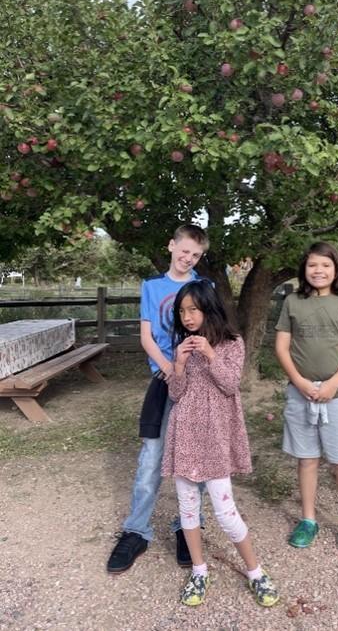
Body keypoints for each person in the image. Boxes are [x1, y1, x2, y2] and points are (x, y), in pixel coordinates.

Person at [162, 279, 280, 608]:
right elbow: (175, 393)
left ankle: (255, 571)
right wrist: (180, 364)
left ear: (209, 309)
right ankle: (199, 570)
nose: (187, 317)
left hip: (215, 437)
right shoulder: (182, 345)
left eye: (193, 310)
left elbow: (229, 384)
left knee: (226, 512)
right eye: (182, 311)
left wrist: (210, 353)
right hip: (184, 434)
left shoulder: (232, 342)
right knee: (188, 510)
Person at [107, 224, 210, 574]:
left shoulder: (203, 287)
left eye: (195, 255)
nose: (188, 258)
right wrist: (169, 367)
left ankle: (189, 526)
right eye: (184, 251)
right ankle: (136, 530)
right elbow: (147, 336)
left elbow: (211, 330)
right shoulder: (152, 287)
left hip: (196, 383)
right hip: (163, 379)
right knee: (152, 456)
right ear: (171, 245)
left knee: (194, 458)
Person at [275, 241, 338, 555]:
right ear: (304, 269)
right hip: (301, 394)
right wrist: (299, 381)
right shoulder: (292, 302)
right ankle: (308, 519)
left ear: (336, 269)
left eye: (325, 265)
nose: (318, 271)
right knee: (307, 460)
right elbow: (282, 347)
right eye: (313, 265)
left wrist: (333, 383)